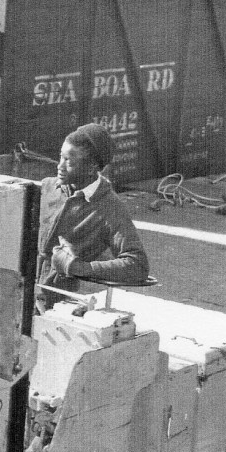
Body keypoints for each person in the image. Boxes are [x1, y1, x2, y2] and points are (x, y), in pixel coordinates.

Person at [36, 123, 149, 311]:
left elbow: (137, 265)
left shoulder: (110, 208)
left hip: (59, 304)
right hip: (19, 290)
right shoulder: (47, 188)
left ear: (91, 167)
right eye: (61, 157)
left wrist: (78, 268)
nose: (59, 166)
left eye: (68, 161)